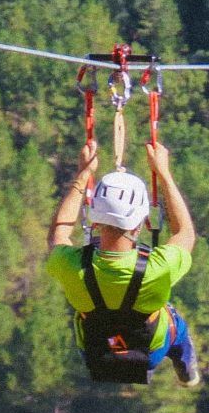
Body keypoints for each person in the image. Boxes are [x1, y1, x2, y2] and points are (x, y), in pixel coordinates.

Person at [45, 134, 200, 387]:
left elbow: (58, 235)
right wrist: (164, 174)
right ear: (139, 224)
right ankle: (186, 370)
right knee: (176, 325)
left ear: (94, 220)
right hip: (149, 352)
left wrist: (83, 175)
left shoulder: (71, 265)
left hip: (97, 351)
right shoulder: (157, 268)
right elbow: (185, 234)